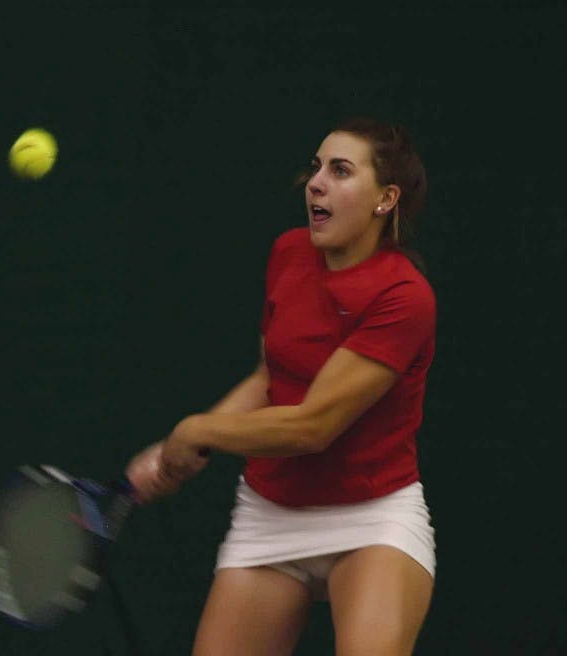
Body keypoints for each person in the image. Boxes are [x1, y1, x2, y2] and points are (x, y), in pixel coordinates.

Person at [126, 117, 437, 656]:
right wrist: (182, 451)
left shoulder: (404, 297)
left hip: (371, 518)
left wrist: (198, 428)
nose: (315, 183)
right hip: (270, 516)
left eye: (340, 171)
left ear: (385, 199)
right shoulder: (289, 254)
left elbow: (313, 426)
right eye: (316, 168)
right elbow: (269, 379)